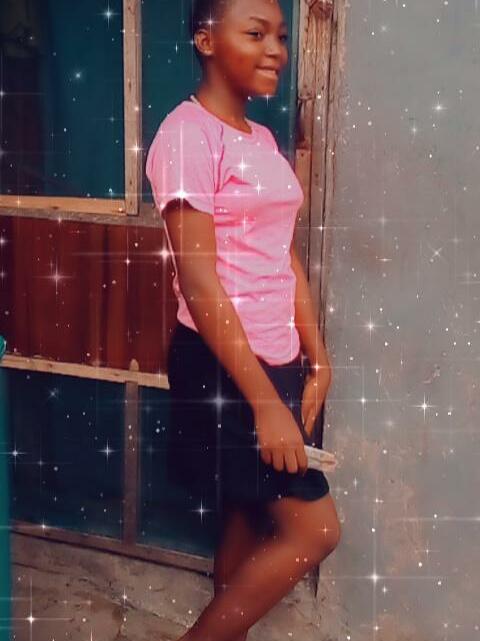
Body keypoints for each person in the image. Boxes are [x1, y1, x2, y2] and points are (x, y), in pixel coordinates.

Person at [145, 1, 341, 640]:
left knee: (247, 514)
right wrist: (264, 404)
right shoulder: (186, 135)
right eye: (255, 33)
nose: (276, 49)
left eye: (280, 36)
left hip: (275, 355)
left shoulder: (261, 139)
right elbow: (199, 283)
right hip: (223, 363)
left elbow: (283, 253)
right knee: (315, 530)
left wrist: (317, 358)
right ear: (206, 40)